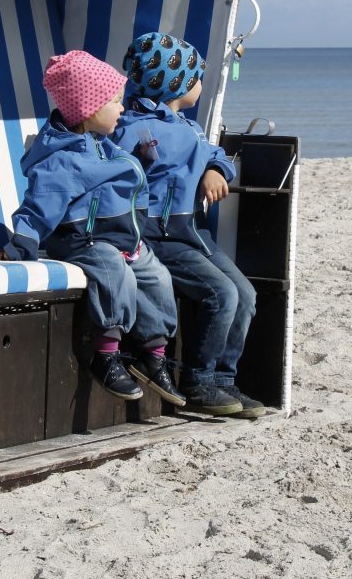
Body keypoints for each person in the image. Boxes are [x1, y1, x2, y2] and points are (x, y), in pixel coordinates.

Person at [0, 49, 185, 407]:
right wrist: (20, 245)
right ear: (89, 109)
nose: (122, 109)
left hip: (120, 239)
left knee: (156, 275)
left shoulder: (105, 148)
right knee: (113, 270)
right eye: (115, 101)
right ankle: (106, 354)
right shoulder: (63, 161)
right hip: (80, 241)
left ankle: (153, 355)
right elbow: (38, 208)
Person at [112, 31, 265, 419]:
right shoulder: (133, 128)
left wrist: (216, 169)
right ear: (175, 82)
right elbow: (114, 174)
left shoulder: (190, 127)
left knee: (244, 294)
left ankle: (224, 381)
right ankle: (198, 382)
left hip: (194, 233)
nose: (200, 83)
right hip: (160, 237)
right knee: (222, 294)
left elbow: (218, 155)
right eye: (196, 76)